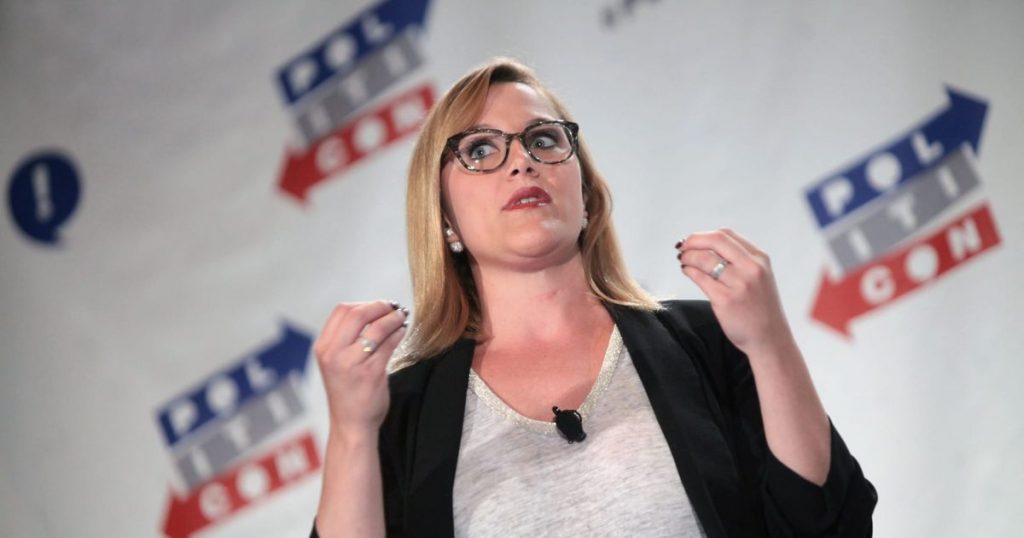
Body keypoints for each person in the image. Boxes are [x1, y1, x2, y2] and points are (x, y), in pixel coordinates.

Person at [310, 58, 877, 537]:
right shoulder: (403, 413)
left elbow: (828, 524)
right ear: (444, 220)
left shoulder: (707, 342)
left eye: (544, 139)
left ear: (585, 195)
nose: (521, 160)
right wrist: (353, 433)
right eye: (480, 149)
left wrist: (770, 343)